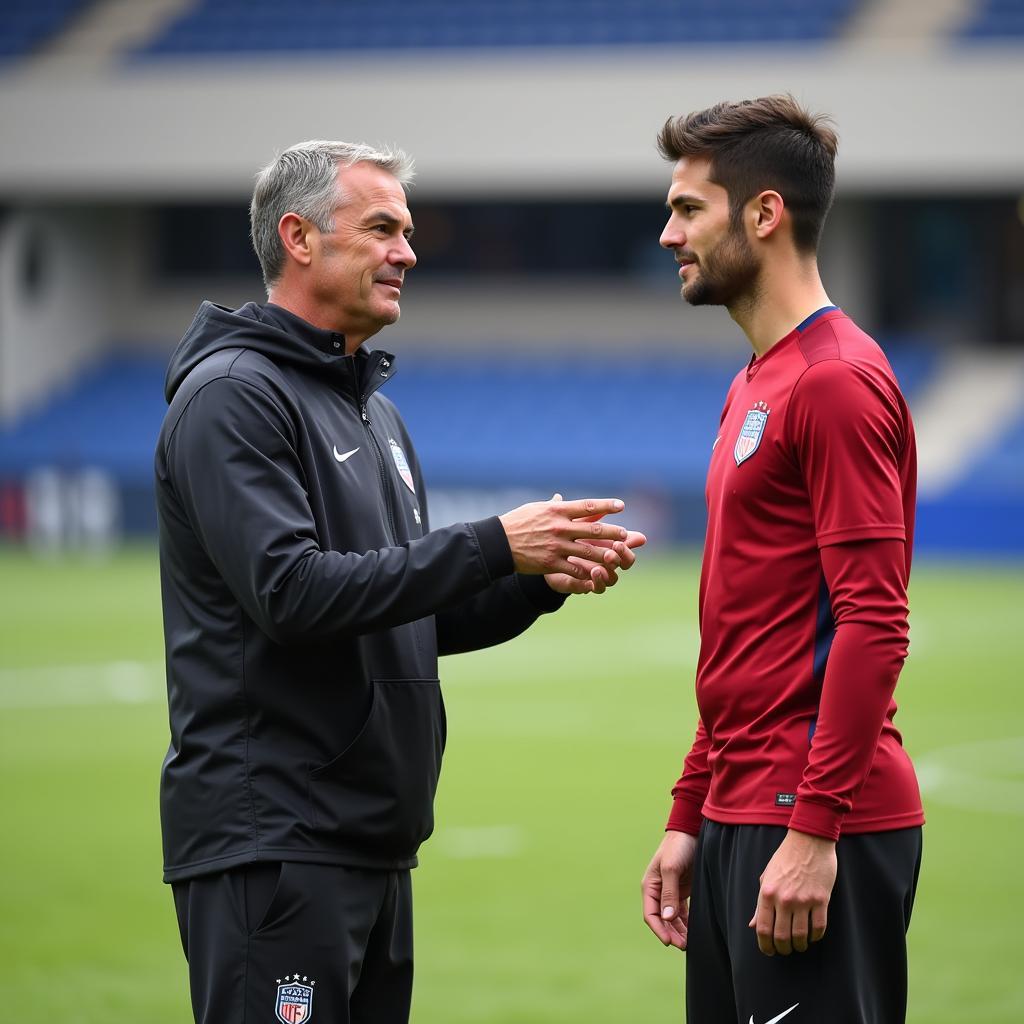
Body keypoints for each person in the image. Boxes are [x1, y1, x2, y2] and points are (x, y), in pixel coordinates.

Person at [155, 139, 645, 1024]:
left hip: (371, 839)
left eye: (408, 231)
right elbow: (293, 594)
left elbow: (406, 613)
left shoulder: (374, 413)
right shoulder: (233, 394)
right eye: (382, 228)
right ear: (299, 238)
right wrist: (494, 542)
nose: (409, 252)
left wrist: (535, 579)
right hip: (277, 843)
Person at [640, 97, 924, 1024]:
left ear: (764, 214)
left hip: (810, 816)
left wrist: (814, 827)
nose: (667, 232)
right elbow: (743, 638)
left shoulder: (835, 381)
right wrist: (691, 809)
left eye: (689, 210)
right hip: (742, 808)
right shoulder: (754, 381)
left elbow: (874, 623)